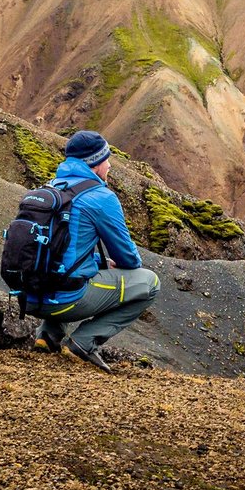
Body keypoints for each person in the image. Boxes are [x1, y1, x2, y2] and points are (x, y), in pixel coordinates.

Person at [24, 129, 160, 372]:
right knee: (149, 283)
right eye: (106, 159)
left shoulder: (50, 189)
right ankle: (83, 342)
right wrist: (111, 262)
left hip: (30, 298)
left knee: (62, 271)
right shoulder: (100, 197)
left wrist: (98, 262)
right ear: (95, 163)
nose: (109, 165)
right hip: (66, 301)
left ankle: (47, 334)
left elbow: (56, 250)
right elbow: (128, 258)